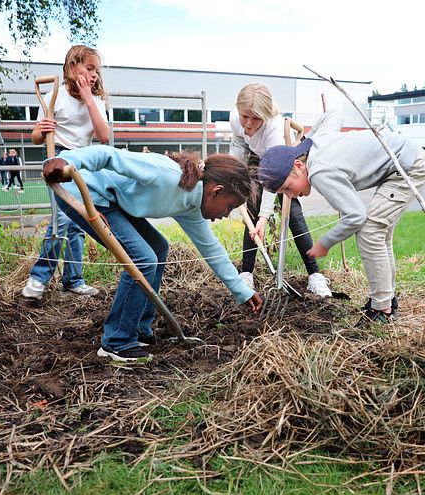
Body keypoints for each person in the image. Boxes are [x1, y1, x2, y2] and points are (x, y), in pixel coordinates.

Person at [42, 145, 263, 362]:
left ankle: (139, 329)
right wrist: (68, 162)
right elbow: (108, 155)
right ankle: (117, 342)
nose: (226, 215)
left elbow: (212, 250)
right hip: (85, 194)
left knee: (158, 248)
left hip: (114, 202)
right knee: (143, 258)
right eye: (229, 207)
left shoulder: (192, 204)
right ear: (217, 191)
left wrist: (241, 290)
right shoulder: (165, 175)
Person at [258, 108, 425, 325]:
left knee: (370, 231)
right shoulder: (316, 143)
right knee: (379, 233)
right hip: (405, 160)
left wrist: (325, 242)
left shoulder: (319, 172)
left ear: (299, 165)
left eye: (287, 188)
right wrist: (306, 139)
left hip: (408, 166)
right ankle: (385, 300)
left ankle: (382, 310)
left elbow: (356, 216)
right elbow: (334, 113)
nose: (290, 195)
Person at [22, 44, 111, 300]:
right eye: (89, 68)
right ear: (73, 67)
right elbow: (36, 137)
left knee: (78, 221)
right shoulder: (55, 95)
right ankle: (38, 279)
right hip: (57, 157)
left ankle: (73, 280)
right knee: (62, 219)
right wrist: (43, 128)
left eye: (97, 70)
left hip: (82, 159)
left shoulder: (96, 100)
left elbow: (103, 136)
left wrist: (88, 98)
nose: (94, 75)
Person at [229, 83, 332, 297]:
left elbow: (273, 181)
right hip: (256, 157)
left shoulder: (274, 130)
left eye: (255, 118)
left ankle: (315, 276)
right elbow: (239, 143)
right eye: (244, 116)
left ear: (265, 116)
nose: (248, 123)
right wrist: (233, 172)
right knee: (251, 211)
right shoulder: (235, 118)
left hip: (280, 161)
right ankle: (246, 273)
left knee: (293, 214)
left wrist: (265, 219)